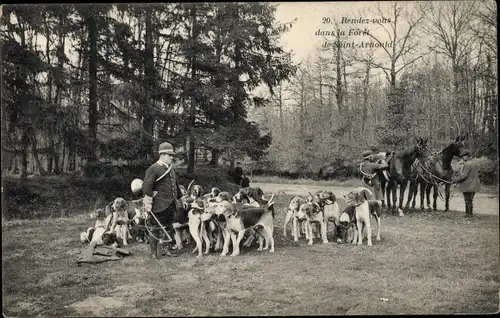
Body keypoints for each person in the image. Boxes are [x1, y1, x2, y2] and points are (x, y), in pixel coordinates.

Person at [142, 142, 184, 259]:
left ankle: (166, 250)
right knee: (154, 228)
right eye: (170, 155)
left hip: (171, 204)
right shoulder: (153, 169)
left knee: (169, 227)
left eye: (172, 155)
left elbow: (175, 185)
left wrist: (181, 198)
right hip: (158, 205)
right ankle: (153, 253)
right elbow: (147, 187)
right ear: (162, 155)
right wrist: (148, 203)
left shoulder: (171, 169)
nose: (172, 157)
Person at [453, 150, 481, 217]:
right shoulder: (475, 163)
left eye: (463, 157)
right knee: (470, 200)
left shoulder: (467, 164)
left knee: (467, 200)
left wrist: (456, 180)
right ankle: (469, 213)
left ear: (467, 156)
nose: (462, 158)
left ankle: (468, 214)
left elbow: (464, 176)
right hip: (475, 185)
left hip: (468, 185)